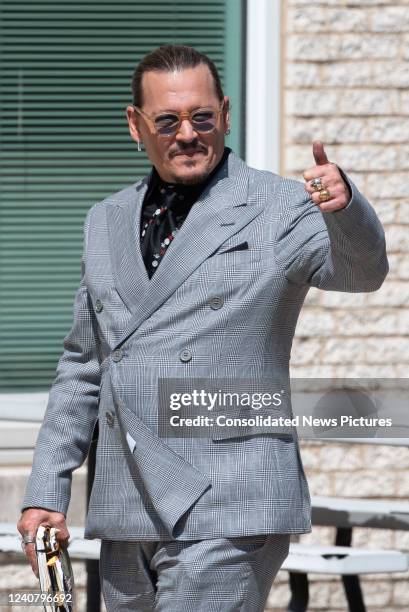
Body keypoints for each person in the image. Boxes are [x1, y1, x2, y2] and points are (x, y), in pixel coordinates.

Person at [17, 44, 388, 611]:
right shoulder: (105, 220)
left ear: (226, 114)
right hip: (125, 498)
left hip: (231, 500)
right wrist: (47, 489)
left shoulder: (281, 206)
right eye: (167, 120)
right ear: (135, 125)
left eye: (202, 117)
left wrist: (345, 210)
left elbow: (362, 273)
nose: (187, 133)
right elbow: (84, 366)